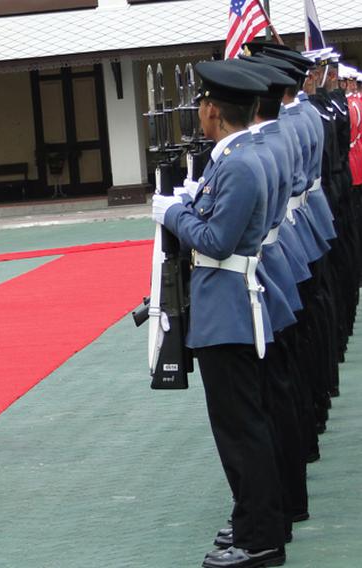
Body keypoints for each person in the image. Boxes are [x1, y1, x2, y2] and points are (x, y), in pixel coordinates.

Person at [152, 61, 286, 568]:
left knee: (240, 430)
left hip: (227, 307)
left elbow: (216, 239)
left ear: (211, 110)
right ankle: (254, 524)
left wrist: (174, 213)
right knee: (242, 427)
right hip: (227, 304)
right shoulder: (235, 158)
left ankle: (259, 537)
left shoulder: (235, 164)